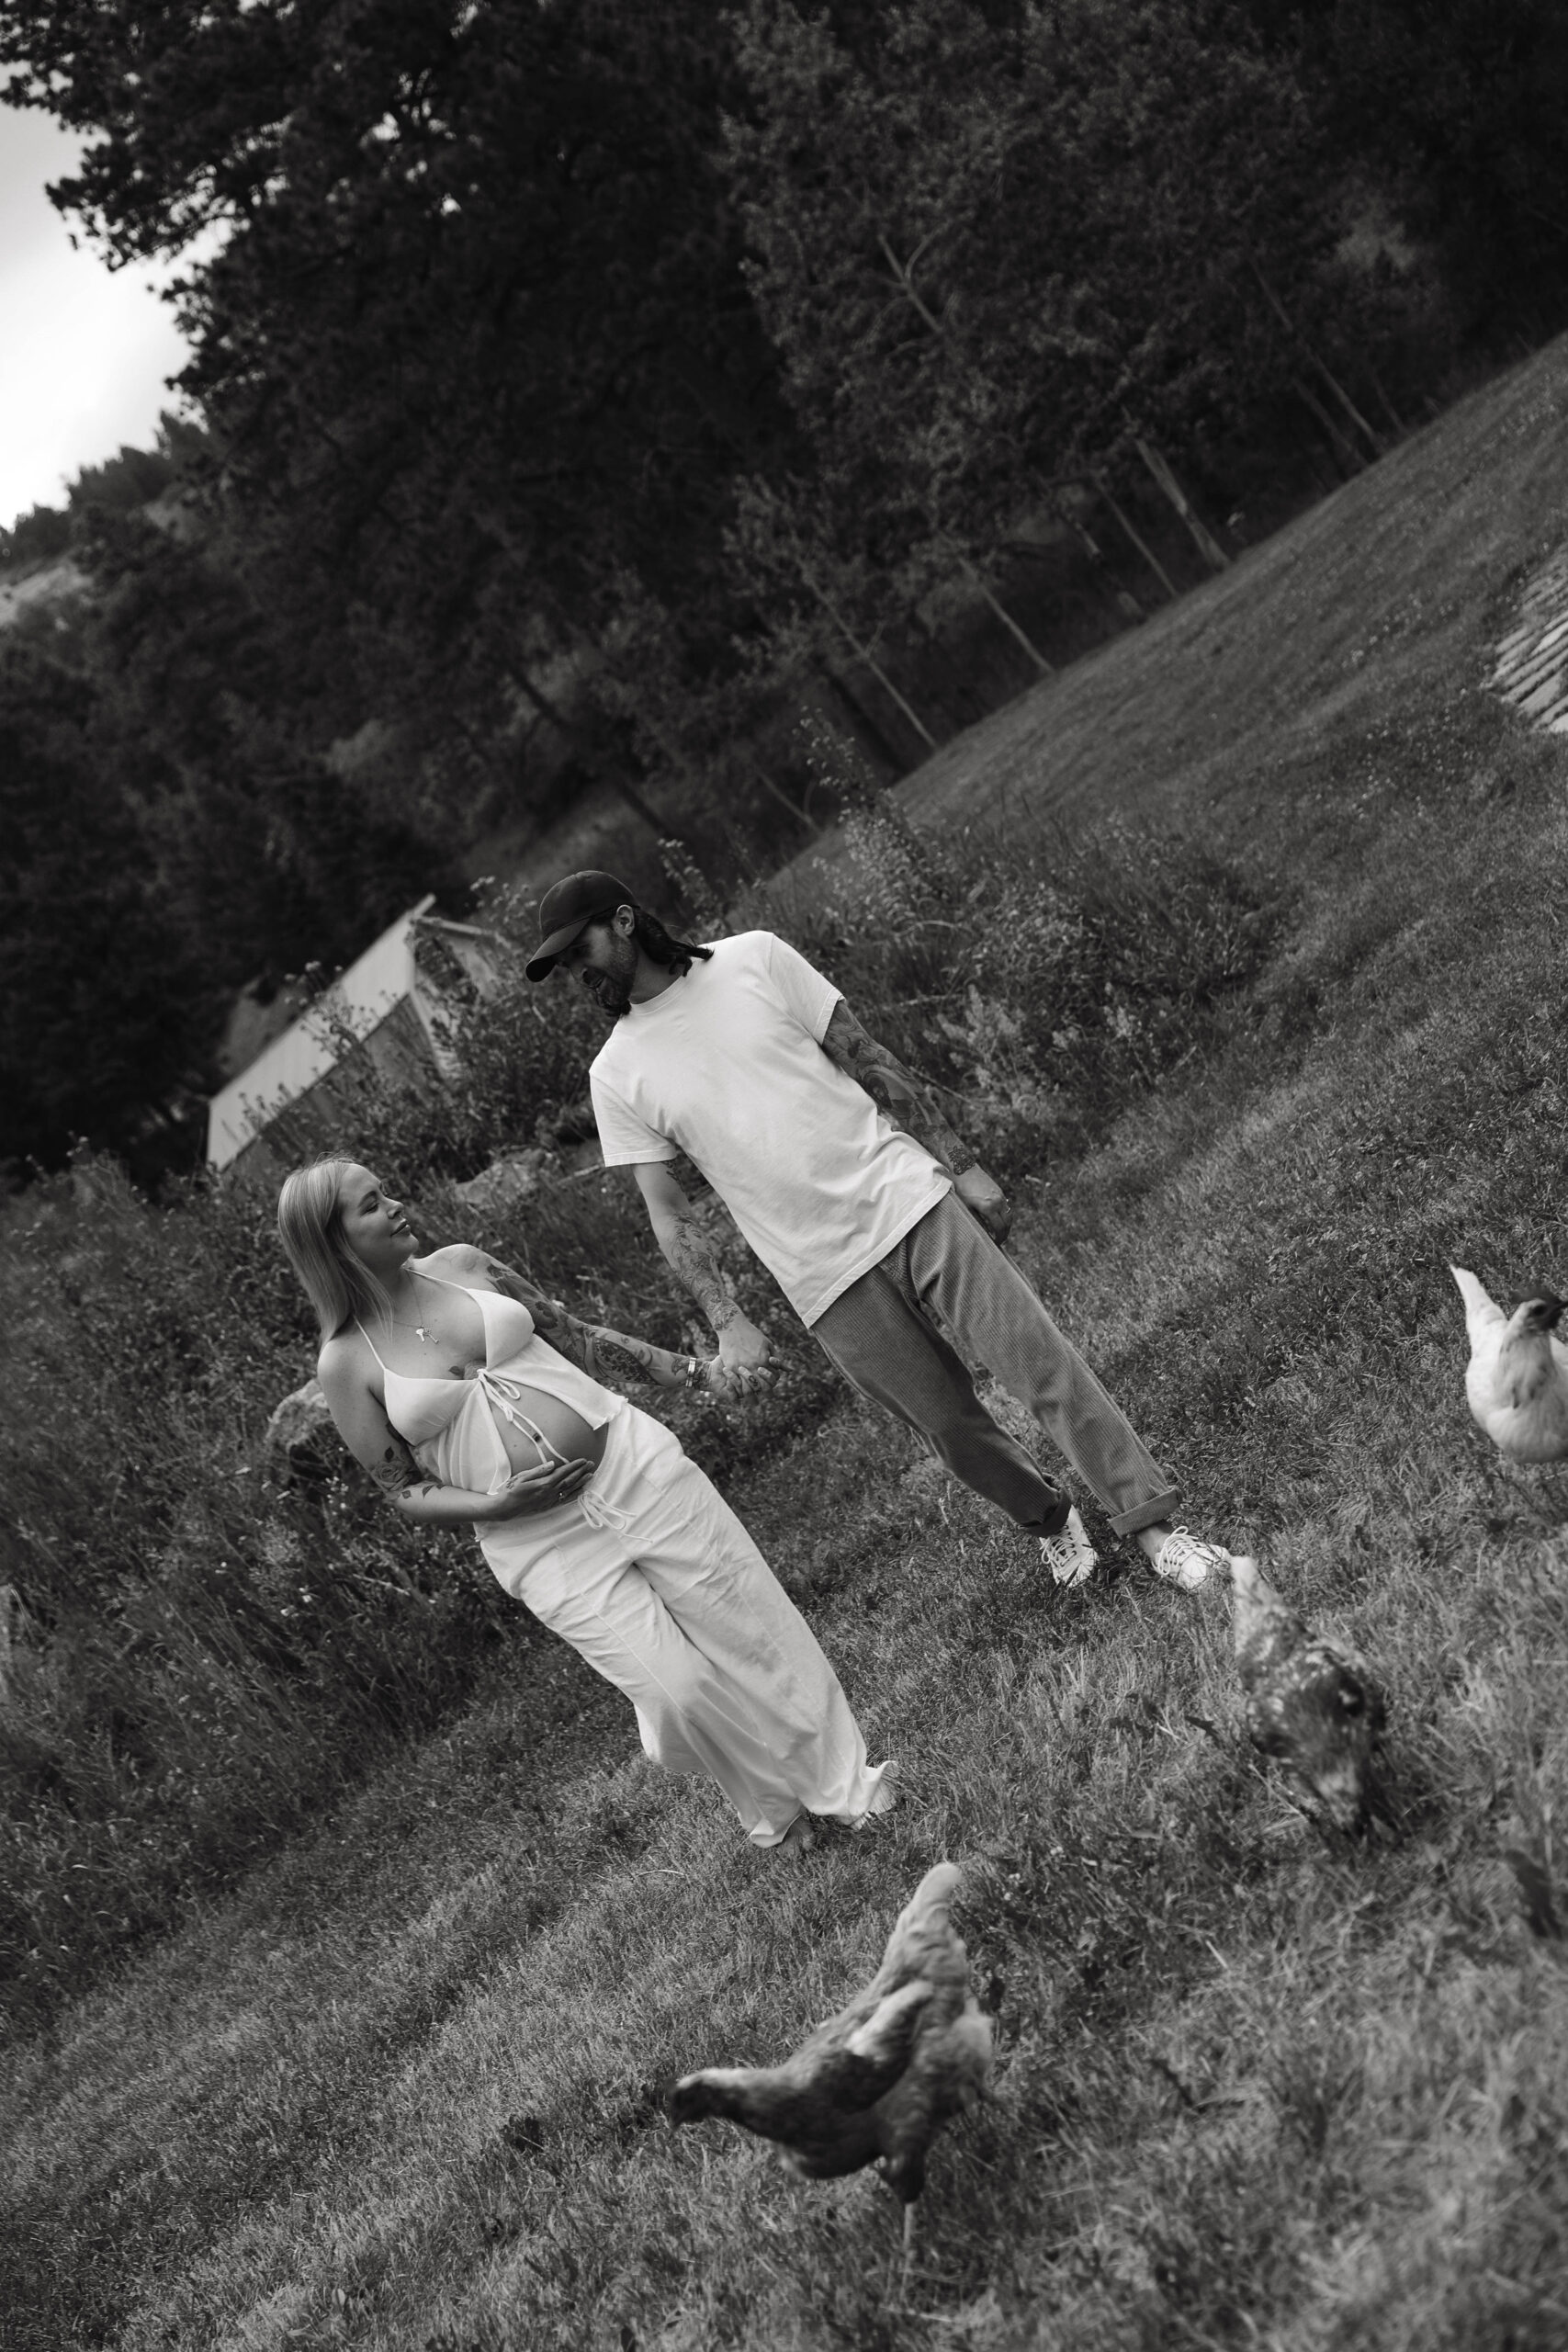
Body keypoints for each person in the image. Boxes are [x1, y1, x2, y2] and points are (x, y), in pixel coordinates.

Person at [525, 872, 1231, 1593]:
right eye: (560, 967)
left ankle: (1152, 1529)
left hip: (907, 1200)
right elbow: (667, 1211)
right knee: (951, 1432)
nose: (574, 974)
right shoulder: (615, 1075)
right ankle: (1049, 1520)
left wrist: (964, 1166)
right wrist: (728, 1320)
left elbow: (868, 1059)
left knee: (1040, 1367)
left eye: (577, 951)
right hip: (819, 1275)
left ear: (621, 922)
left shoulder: (754, 959)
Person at [276, 1157, 895, 1855]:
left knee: (756, 1634)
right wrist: (497, 1503)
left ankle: (848, 1791)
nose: (395, 1205)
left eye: (387, 1189)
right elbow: (402, 1491)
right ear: (332, 1243)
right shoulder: (345, 1363)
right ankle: (769, 1800)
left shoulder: (465, 1266)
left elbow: (578, 1339)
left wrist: (697, 1375)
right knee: (675, 1692)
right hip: (544, 1545)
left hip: (633, 1468)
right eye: (369, 1205)